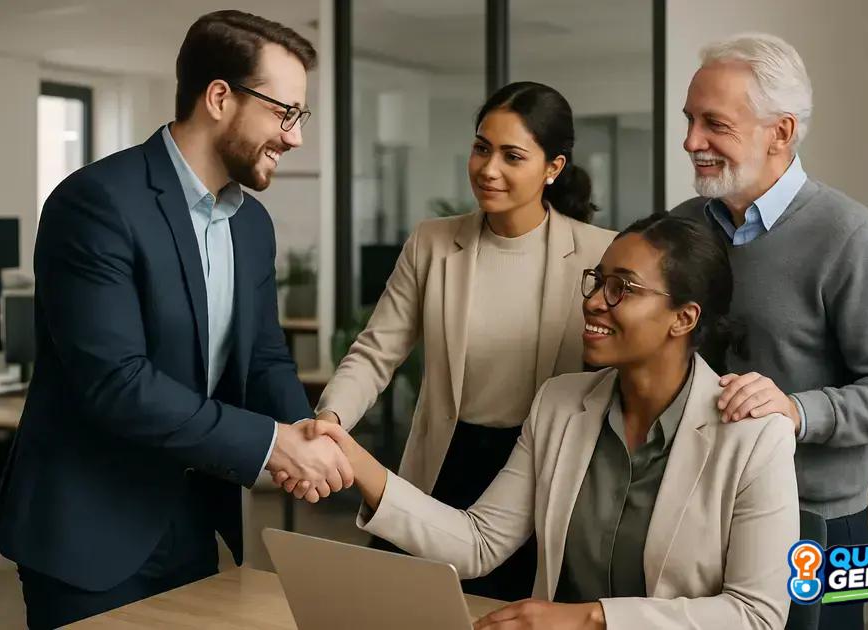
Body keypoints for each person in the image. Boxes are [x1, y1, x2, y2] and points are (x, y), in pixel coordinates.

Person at [0, 11, 352, 628]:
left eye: (301, 117)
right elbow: (119, 383)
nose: (295, 137)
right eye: (284, 112)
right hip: (89, 531)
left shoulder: (250, 222)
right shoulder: (96, 204)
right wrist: (274, 448)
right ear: (219, 97)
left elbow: (264, 353)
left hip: (192, 520)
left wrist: (304, 431)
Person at [284, 213, 800, 630]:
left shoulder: (755, 435)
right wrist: (358, 465)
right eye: (598, 281)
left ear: (684, 318)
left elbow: (755, 614)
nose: (594, 301)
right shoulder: (560, 404)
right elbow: (480, 542)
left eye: (623, 288)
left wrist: (591, 620)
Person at [284, 82, 615, 600]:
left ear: (553, 168)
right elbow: (376, 352)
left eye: (512, 156)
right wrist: (330, 423)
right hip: (443, 460)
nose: (488, 169)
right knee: (408, 609)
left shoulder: (602, 254)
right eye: (481, 147)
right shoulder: (433, 242)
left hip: (537, 470)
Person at [671, 33, 868, 630]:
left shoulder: (852, 239)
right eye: (689, 119)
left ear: (780, 132)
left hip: (821, 524)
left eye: (714, 123)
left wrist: (795, 409)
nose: (690, 141)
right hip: (698, 507)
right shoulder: (680, 228)